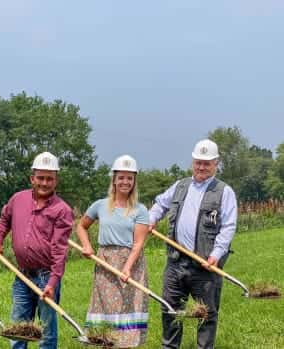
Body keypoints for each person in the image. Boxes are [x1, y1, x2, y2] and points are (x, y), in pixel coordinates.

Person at [149, 139, 238, 349]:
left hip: (205, 265)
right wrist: (152, 218)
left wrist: (216, 255)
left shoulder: (224, 192)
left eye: (207, 163)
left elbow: (228, 227)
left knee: (206, 315)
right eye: (198, 162)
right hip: (176, 262)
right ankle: (169, 347)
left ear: (216, 163)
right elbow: (161, 203)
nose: (201, 167)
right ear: (192, 162)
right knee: (170, 309)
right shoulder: (180, 186)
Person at [0, 151, 74, 349]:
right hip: (21, 275)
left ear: (56, 181)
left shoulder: (62, 210)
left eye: (49, 179)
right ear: (32, 178)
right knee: (19, 328)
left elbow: (59, 251)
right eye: (40, 178)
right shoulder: (17, 199)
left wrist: (53, 282)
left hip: (46, 277)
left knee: (46, 332)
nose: (44, 183)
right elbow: (4, 221)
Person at [76, 155, 149, 348]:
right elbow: (81, 226)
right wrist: (87, 245)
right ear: (114, 179)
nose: (125, 182)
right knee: (106, 306)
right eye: (121, 177)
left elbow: (138, 244)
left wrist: (127, 268)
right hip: (105, 263)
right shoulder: (100, 205)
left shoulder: (140, 210)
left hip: (131, 263)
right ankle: (105, 342)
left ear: (134, 181)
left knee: (127, 308)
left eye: (129, 178)